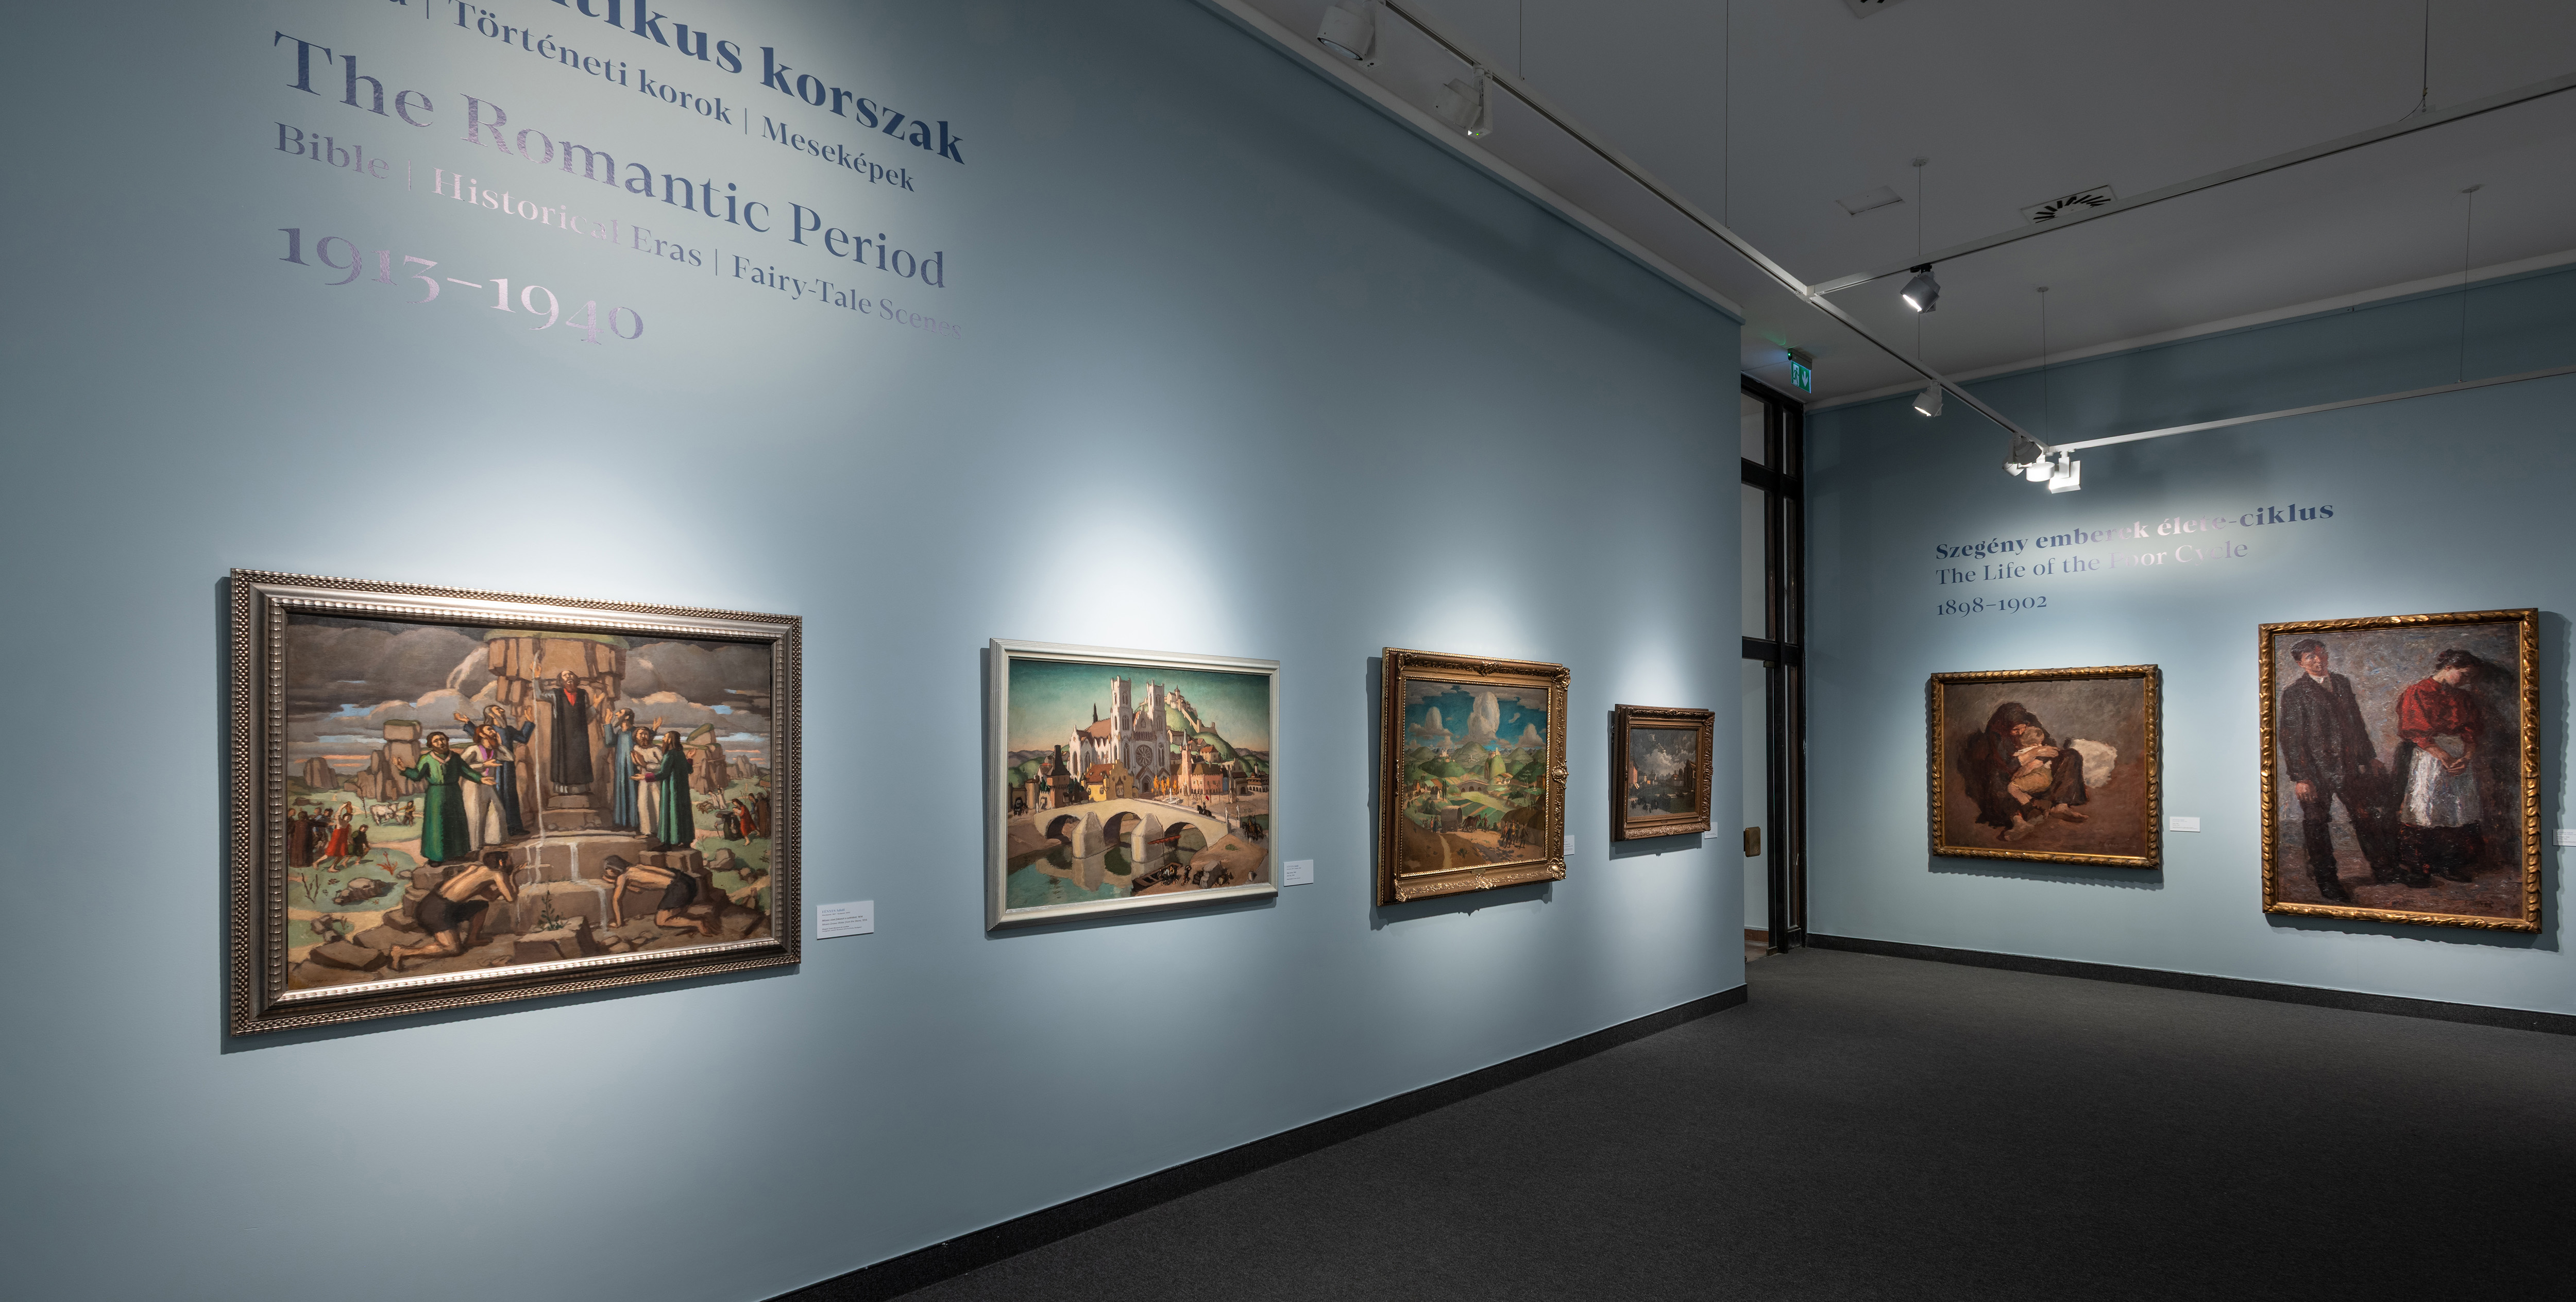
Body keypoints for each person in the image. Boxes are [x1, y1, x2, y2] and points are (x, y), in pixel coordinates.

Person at [2276, 638, 2398, 900]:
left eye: (2321, 654)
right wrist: (2301, 777)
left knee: (2365, 816)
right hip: (2315, 771)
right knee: (2317, 823)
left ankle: (2384, 869)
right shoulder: (2294, 692)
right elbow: (2291, 738)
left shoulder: (2342, 683)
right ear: (2300, 663)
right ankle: (2327, 880)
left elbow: (2356, 724)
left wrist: (2370, 757)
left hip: (2349, 766)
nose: (2318, 660)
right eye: (2310, 657)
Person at [2393, 649, 2486, 886]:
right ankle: (2419, 867)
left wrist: (2466, 758)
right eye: (2464, 675)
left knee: (2457, 811)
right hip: (2427, 756)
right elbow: (2416, 732)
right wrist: (2444, 757)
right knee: (2424, 810)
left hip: (2458, 758)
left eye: (2471, 678)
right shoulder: (2417, 691)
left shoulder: (2464, 698)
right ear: (2449, 668)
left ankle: (2449, 864)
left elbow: (2472, 732)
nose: (2466, 681)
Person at [1962, 703, 2088, 843]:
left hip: (2038, 772)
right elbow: (2004, 764)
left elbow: (2049, 745)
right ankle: (2019, 821)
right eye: (2016, 730)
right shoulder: (1996, 734)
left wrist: (2036, 762)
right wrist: (2032, 754)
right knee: (1997, 774)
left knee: (2072, 755)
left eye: (2023, 728)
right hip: (2012, 777)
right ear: (2006, 728)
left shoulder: (2029, 720)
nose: (2021, 732)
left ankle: (2061, 806)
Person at [386, 852, 519, 971]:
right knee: (453, 949)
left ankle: (472, 939)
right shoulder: (497, 874)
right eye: (510, 861)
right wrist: (513, 876)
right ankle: (402, 951)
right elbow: (511, 898)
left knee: (481, 906)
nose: (511, 864)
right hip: (438, 911)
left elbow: (491, 897)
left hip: (432, 904)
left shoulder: (475, 868)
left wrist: (501, 887)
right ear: (501, 863)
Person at [397, 731, 487, 865]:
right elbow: (417, 776)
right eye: (436, 741)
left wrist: (481, 779)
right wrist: (403, 769)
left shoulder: (455, 757)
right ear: (431, 745)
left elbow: (466, 771)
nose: (441, 743)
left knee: (456, 822)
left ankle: (458, 853)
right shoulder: (426, 758)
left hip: (454, 793)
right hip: (436, 795)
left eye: (443, 739)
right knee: (437, 824)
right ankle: (436, 857)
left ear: (447, 741)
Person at [455, 704, 534, 836]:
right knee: (496, 795)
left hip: (508, 766)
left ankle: (514, 827)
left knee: (510, 795)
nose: (502, 711)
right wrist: (468, 723)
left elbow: (523, 738)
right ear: (491, 714)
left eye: (501, 709)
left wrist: (529, 722)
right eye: (498, 710)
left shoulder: (508, 729)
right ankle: (498, 829)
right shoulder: (489, 729)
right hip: (492, 766)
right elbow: (478, 734)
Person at [599, 855, 716, 936]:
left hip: (678, 888)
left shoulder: (623, 876)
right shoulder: (637, 867)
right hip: (686, 881)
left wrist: (619, 923)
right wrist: (614, 882)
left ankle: (697, 923)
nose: (606, 872)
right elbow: (638, 890)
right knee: (673, 910)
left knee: (661, 921)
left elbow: (616, 900)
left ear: (613, 869)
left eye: (607, 869)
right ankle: (693, 922)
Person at [457, 724, 509, 853]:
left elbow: (510, 758)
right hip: (472, 785)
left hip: (489, 785)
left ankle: (494, 841)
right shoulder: (473, 749)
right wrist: (483, 765)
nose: (493, 731)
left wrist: (500, 745)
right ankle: (474, 846)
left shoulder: (495, 750)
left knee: (496, 810)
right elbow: (460, 766)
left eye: (493, 729)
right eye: (489, 730)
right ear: (481, 734)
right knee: (474, 814)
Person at [539, 670, 596, 786]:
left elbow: (587, 716)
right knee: (563, 760)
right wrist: (536, 678)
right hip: (562, 734)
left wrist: (596, 706)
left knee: (581, 760)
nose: (569, 677)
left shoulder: (583, 694)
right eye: (565, 675)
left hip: (579, 735)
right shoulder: (556, 694)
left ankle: (582, 788)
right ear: (561, 680)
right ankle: (563, 788)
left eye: (571, 674)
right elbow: (539, 695)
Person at [643, 730, 697, 849]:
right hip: (682, 791)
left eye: (665, 737)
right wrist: (689, 759)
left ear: (670, 740)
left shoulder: (670, 755)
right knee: (683, 813)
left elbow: (663, 774)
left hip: (671, 789)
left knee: (669, 812)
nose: (663, 739)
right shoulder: (680, 754)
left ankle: (668, 843)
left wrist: (645, 777)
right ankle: (685, 841)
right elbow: (689, 770)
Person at [601, 708, 643, 831]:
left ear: (627, 717)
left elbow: (646, 740)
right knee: (621, 792)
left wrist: (655, 730)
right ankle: (621, 823)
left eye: (620, 713)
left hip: (633, 767)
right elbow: (609, 742)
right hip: (621, 767)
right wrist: (608, 723)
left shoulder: (635, 731)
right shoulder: (620, 732)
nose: (616, 714)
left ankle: (634, 823)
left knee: (633, 793)